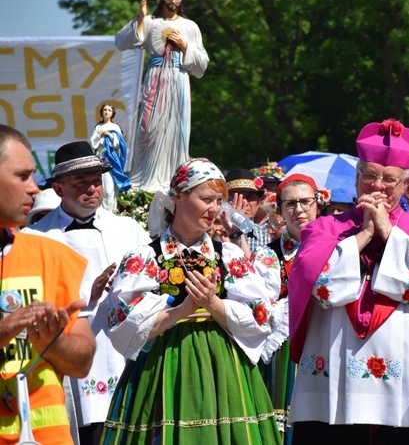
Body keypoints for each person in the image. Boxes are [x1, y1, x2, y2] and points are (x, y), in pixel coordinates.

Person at [287, 119, 409, 443]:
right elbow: (316, 286)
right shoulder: (323, 229)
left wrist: (389, 234)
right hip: (335, 388)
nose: (377, 186)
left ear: (404, 184)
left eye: (388, 179)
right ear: (356, 179)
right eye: (369, 175)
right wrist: (364, 235)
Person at [101, 158, 282, 444]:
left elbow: (261, 316)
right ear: (179, 197)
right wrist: (182, 309)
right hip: (162, 362)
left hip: (222, 365)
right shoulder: (145, 256)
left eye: (219, 201)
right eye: (207, 199)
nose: (214, 209)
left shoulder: (229, 255)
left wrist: (213, 304)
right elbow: (123, 322)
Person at [23, 141, 150, 444]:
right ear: (58, 189)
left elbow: (151, 281)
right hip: (69, 352)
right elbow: (32, 302)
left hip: (123, 349)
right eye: (82, 183)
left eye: (96, 181)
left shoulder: (129, 229)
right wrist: (87, 297)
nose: (93, 189)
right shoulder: (34, 239)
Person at [0, 125, 96, 444]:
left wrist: (53, 342)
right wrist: (6, 329)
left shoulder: (52, 255)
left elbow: (82, 362)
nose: (35, 187)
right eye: (22, 176)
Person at [115, 0, 209, 193]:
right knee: (149, 128)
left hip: (178, 79)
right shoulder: (151, 21)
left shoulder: (190, 26)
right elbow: (121, 42)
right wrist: (139, 19)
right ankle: (143, 182)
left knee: (176, 130)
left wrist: (185, 46)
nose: (173, 1)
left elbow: (202, 65)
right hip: (155, 79)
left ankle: (173, 179)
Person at [262, 173, 328, 444]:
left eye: (304, 202)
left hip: (327, 342)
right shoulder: (267, 256)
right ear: (279, 210)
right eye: (290, 204)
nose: (298, 210)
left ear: (317, 204)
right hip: (287, 351)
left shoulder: (338, 248)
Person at [89, 104, 130, 211]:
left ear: (112, 113)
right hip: (101, 160)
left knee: (110, 190)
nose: (106, 112)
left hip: (112, 161)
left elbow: (117, 144)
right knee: (102, 188)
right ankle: (103, 211)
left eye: (109, 110)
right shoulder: (98, 127)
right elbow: (93, 143)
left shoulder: (115, 127)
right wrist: (100, 135)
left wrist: (109, 134)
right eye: (104, 110)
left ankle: (111, 211)